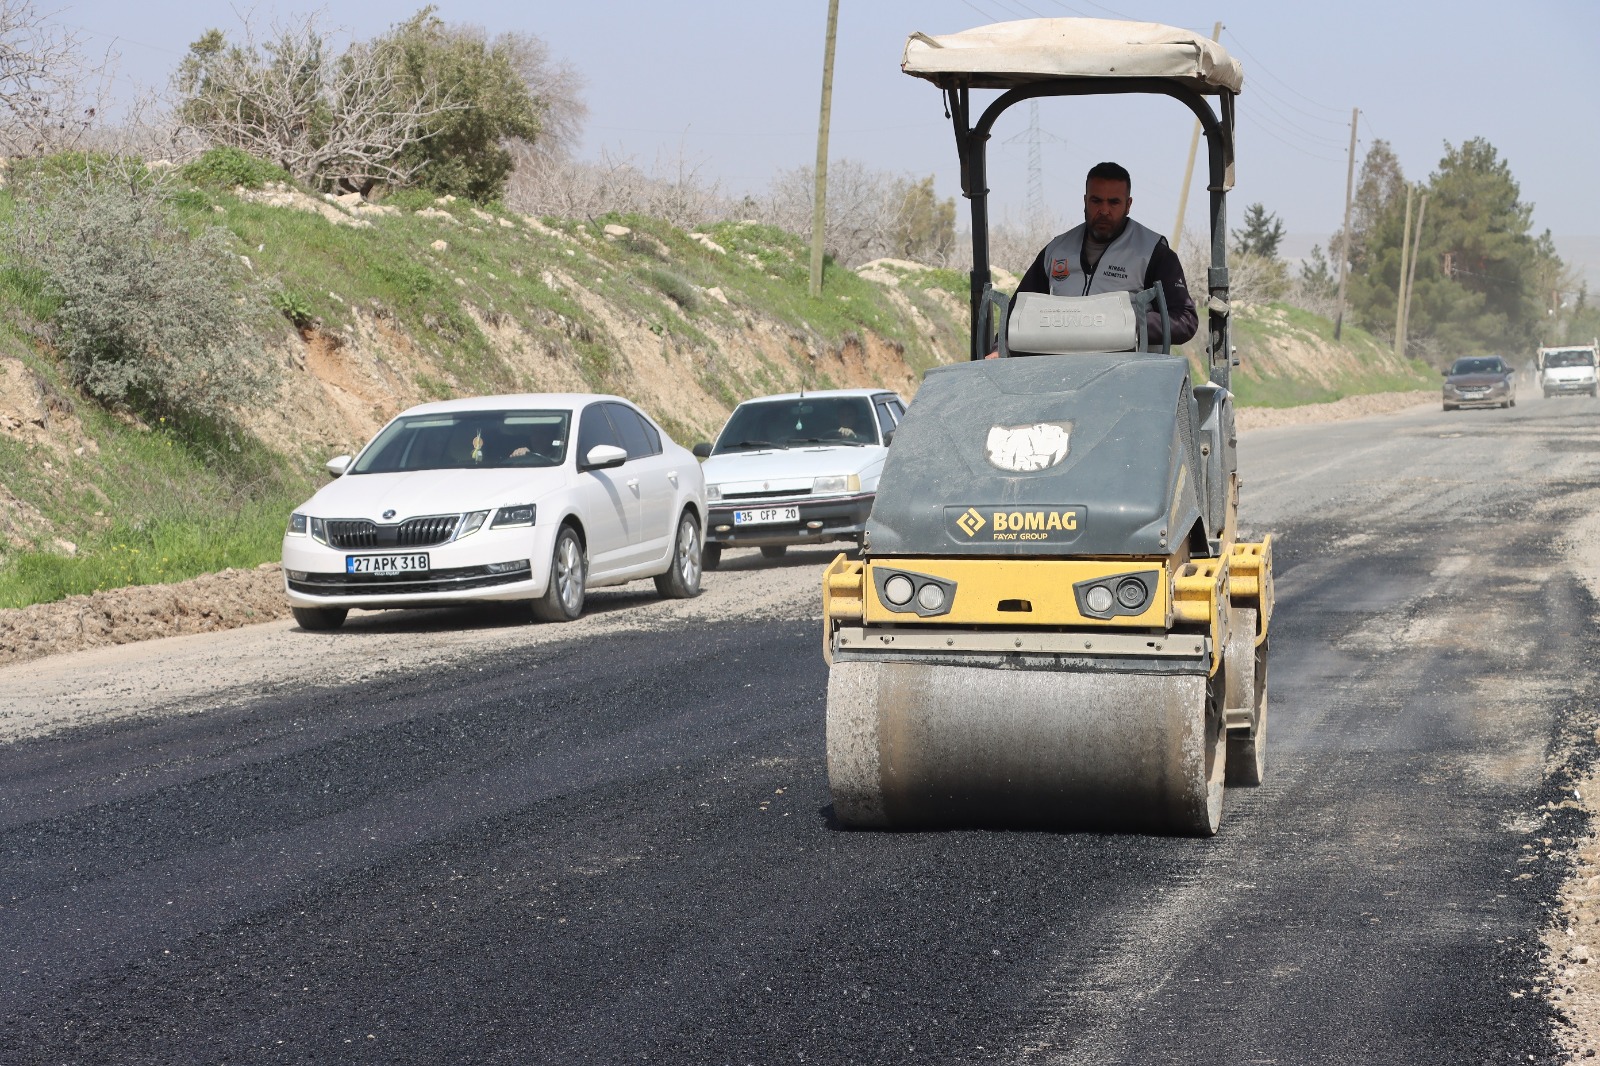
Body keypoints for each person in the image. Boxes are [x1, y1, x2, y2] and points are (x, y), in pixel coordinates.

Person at [1014, 161, 1198, 348]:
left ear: (1128, 205)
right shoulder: (1056, 250)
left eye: (1113, 202)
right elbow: (1017, 313)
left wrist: (1129, 324)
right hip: (1061, 370)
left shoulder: (1153, 253)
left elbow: (1185, 320)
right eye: (1096, 201)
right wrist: (999, 347)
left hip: (1131, 372)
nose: (1104, 210)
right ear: (1085, 201)